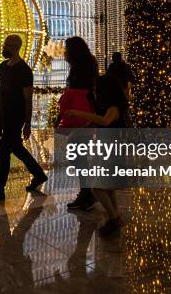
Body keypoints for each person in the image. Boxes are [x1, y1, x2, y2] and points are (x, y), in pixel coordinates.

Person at [0, 35, 47, 203]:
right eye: (4, 44)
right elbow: (0, 88)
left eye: (7, 45)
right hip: (3, 114)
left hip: (16, 116)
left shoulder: (24, 71)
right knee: (16, 147)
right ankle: (39, 174)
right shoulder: (3, 67)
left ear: (16, 47)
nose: (4, 47)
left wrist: (27, 123)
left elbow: (27, 99)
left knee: (4, 151)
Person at [66, 74, 128, 237]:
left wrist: (79, 113)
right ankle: (116, 218)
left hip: (112, 152)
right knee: (107, 188)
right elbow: (96, 122)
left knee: (96, 188)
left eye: (97, 89)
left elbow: (104, 121)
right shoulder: (108, 107)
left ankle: (114, 219)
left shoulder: (114, 108)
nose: (94, 92)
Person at [57, 37, 98, 212]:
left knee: (78, 156)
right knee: (78, 156)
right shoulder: (85, 64)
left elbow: (81, 92)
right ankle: (86, 192)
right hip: (83, 115)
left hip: (81, 117)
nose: (64, 52)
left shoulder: (82, 68)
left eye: (67, 49)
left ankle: (87, 193)